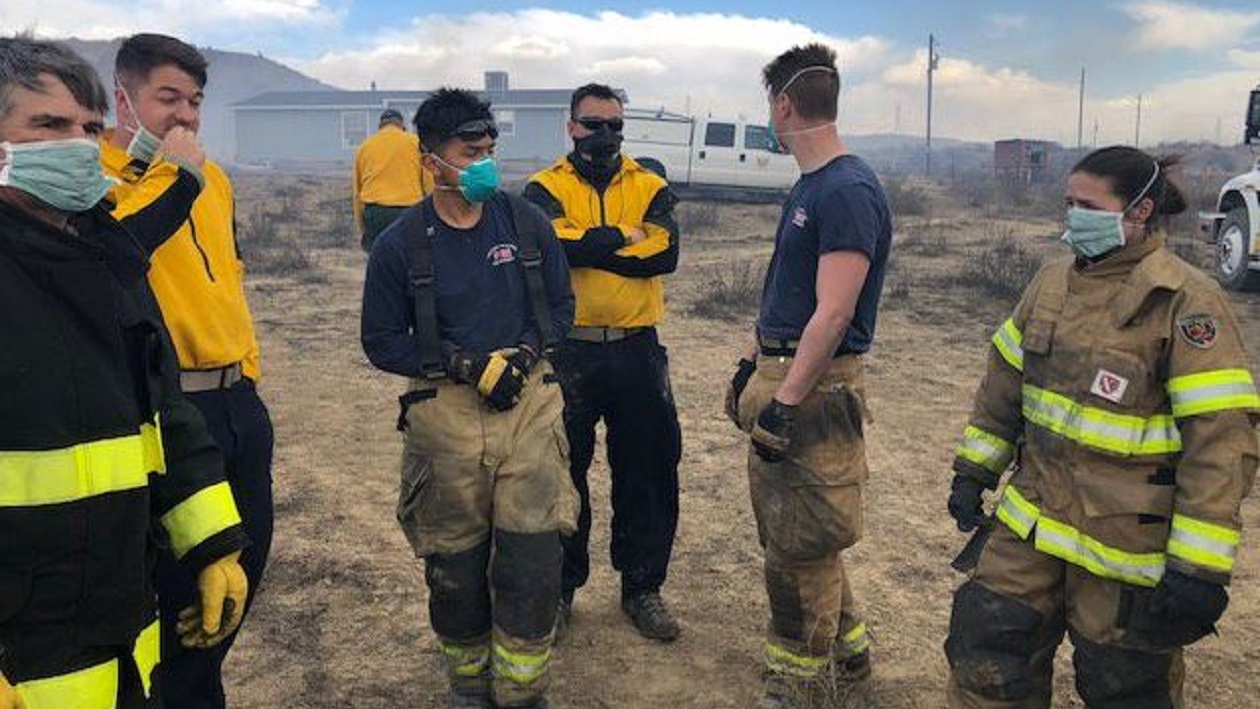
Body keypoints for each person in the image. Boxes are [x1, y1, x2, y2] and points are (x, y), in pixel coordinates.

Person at [944, 145, 1259, 709]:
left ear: (1138, 211)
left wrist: (1200, 568)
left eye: (1085, 205)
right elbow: (1004, 385)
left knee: (1126, 688)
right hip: (1032, 521)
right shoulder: (1050, 283)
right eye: (1068, 202)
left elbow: (1221, 443)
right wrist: (975, 468)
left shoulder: (1185, 301)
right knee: (985, 654)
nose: (1071, 216)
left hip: (1126, 547)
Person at [0, 35, 249, 708]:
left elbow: (158, 402)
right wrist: (175, 177)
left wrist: (212, 543)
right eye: (49, 127)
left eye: (85, 130)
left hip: (118, 630)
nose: (77, 146)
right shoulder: (113, 218)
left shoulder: (99, 257)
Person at [361, 88, 577, 709]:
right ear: (431, 160)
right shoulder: (402, 245)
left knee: (533, 558)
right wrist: (462, 363)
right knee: (454, 565)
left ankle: (523, 688)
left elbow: (561, 308)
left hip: (530, 408)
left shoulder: (526, 222)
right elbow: (379, 341)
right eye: (469, 151)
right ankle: (467, 684)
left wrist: (525, 356)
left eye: (489, 149)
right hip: (446, 416)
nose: (485, 162)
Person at [101, 33, 274, 709]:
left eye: (195, 101)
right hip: (167, 412)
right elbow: (116, 251)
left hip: (239, 404)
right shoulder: (96, 177)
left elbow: (227, 277)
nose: (187, 116)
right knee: (179, 586)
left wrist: (250, 372)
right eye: (167, 98)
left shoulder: (213, 177)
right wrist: (176, 174)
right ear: (124, 98)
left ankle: (199, 689)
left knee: (243, 568)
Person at [725, 44, 891, 708]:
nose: (769, 114)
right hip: (785, 369)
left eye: (769, 103)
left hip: (813, 386)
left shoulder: (845, 188)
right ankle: (851, 658)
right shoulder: (812, 184)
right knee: (802, 533)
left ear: (785, 104)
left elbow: (835, 309)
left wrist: (787, 400)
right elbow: (791, 293)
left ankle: (800, 684)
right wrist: (751, 362)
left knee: (800, 546)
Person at [523, 83, 683, 642]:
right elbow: (549, 249)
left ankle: (643, 589)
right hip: (568, 349)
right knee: (560, 474)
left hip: (638, 349)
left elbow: (664, 253)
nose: (606, 135)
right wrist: (623, 237)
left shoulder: (650, 184)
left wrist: (586, 243)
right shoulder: (543, 188)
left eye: (616, 124)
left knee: (648, 471)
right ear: (572, 127)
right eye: (594, 124)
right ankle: (561, 590)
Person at [353, 107, 434, 252]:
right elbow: (429, 184)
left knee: (378, 261)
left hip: (375, 212)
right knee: (412, 260)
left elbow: (357, 193)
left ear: (380, 127)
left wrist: (363, 227)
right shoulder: (415, 143)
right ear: (402, 126)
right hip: (409, 211)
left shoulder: (364, 147)